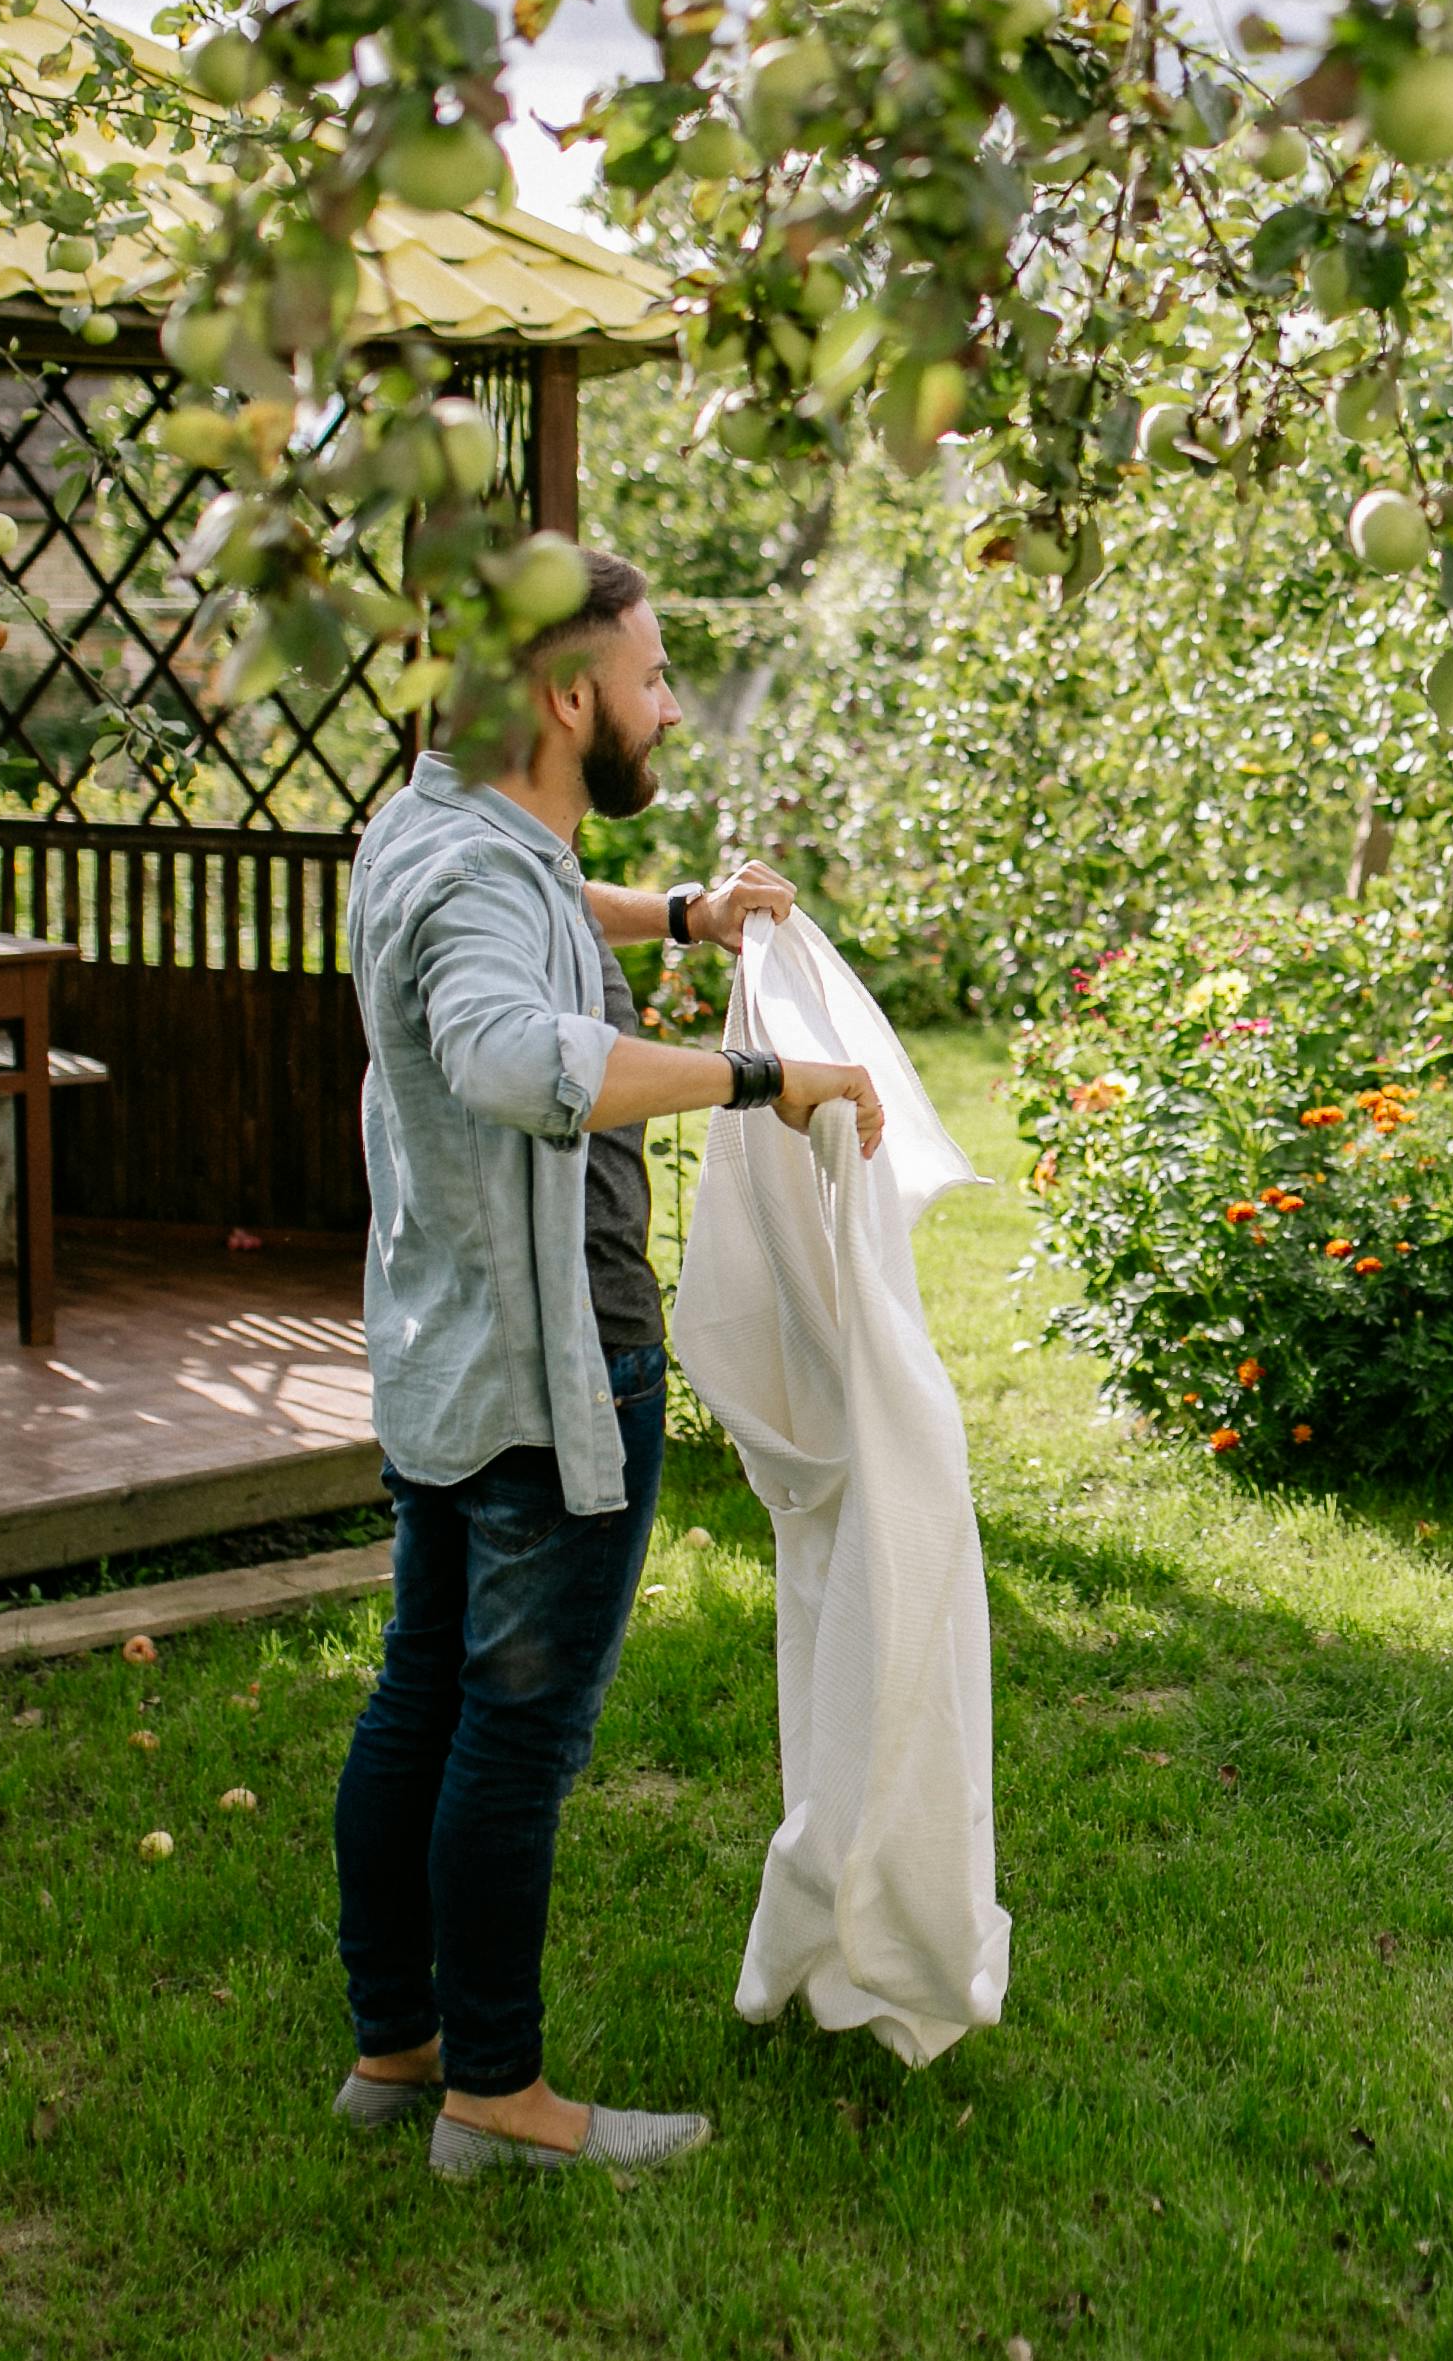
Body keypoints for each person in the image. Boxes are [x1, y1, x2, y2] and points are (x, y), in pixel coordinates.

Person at [328, 545, 889, 2181]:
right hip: (544, 1371)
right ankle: (496, 2098)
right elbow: (510, 1048)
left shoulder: (428, 823)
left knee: (420, 1695)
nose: (664, 710)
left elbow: (533, 896)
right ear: (568, 698)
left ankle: (397, 2044)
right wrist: (751, 1072)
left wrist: (684, 913)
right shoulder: (483, 874)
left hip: (441, 1351)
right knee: (514, 1735)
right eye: (648, 682)